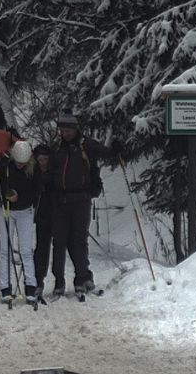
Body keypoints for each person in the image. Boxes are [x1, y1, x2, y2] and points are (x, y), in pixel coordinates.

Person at [49, 109, 119, 297]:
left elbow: (106, 153)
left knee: (79, 240)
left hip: (81, 200)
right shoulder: (58, 147)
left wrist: (116, 150)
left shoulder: (86, 145)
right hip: (60, 200)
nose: (64, 134)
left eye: (67, 130)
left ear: (75, 129)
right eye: (62, 130)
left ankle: (81, 279)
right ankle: (59, 281)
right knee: (59, 242)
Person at [0, 140, 42, 304]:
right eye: (18, 162)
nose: (21, 165)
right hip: (5, 211)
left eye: (24, 163)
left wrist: (19, 197)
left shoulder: (34, 170)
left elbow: (36, 191)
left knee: (26, 250)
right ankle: (5, 288)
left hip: (25, 212)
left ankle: (30, 287)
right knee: (5, 249)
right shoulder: (4, 167)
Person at [32, 144, 54, 297]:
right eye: (39, 159)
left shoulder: (55, 172)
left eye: (45, 159)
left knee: (60, 246)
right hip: (41, 214)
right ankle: (38, 279)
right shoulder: (33, 173)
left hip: (57, 212)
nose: (43, 162)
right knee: (42, 247)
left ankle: (61, 280)